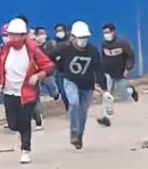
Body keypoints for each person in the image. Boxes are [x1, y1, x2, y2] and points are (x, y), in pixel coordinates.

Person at [0, 18, 55, 164]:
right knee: (13, 124)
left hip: (27, 93)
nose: (12, 38)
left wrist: (38, 76)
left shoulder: (32, 49)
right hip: (9, 92)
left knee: (25, 122)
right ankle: (21, 133)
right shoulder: (5, 50)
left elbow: (49, 66)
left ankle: (25, 150)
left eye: (16, 35)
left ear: (23, 35)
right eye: (10, 35)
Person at [48, 21, 112, 149]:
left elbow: (98, 70)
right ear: (73, 37)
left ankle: (79, 135)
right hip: (70, 80)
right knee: (74, 103)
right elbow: (49, 57)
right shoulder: (64, 48)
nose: (82, 40)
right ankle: (74, 132)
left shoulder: (92, 51)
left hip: (87, 84)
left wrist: (104, 89)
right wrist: (57, 67)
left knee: (83, 111)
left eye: (85, 38)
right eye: (80, 38)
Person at [97, 23, 140, 127]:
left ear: (113, 32)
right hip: (108, 73)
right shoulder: (104, 44)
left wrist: (128, 68)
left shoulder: (122, 44)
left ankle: (131, 90)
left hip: (120, 73)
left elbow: (130, 56)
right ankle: (105, 118)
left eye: (107, 32)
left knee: (125, 96)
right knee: (107, 96)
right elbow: (103, 58)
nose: (106, 35)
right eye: (104, 33)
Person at [30, 27, 60, 131]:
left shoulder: (50, 44)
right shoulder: (31, 46)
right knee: (35, 97)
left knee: (53, 90)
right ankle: (38, 120)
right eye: (39, 34)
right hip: (34, 74)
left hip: (47, 73)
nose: (42, 36)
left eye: (43, 34)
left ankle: (55, 94)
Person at [52, 23, 71, 111]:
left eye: (61, 30)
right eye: (57, 31)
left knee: (71, 90)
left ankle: (73, 107)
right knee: (62, 91)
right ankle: (68, 107)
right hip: (59, 71)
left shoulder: (70, 42)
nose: (59, 33)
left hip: (70, 71)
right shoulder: (54, 43)